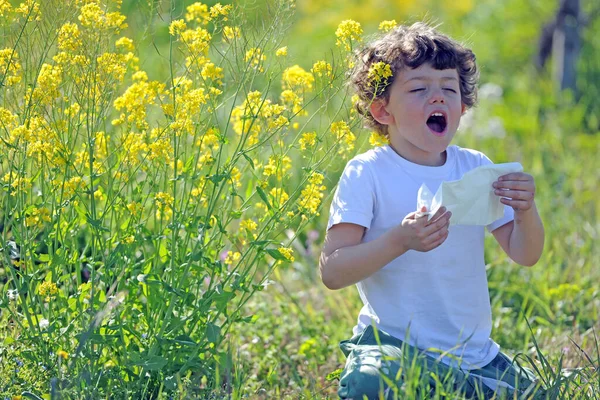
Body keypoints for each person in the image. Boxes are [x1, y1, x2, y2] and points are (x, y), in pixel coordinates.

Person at [319, 22, 545, 399]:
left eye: (449, 89)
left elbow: (526, 253)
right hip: (393, 346)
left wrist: (525, 212)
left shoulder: (474, 167)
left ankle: (461, 384)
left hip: (471, 353)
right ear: (382, 110)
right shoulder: (368, 172)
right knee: (368, 383)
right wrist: (399, 240)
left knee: (537, 395)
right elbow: (333, 270)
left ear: (463, 105)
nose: (437, 98)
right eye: (420, 89)